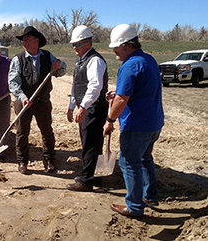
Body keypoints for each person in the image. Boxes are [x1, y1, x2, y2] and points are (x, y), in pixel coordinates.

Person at [104, 24, 164, 217]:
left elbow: (122, 100)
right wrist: (119, 92)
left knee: (129, 163)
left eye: (116, 49)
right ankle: (150, 195)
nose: (114, 53)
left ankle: (134, 206)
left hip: (136, 125)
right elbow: (139, 89)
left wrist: (109, 119)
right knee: (145, 158)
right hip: (154, 123)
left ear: (127, 45)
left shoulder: (129, 65)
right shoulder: (149, 60)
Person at [9, 26, 67, 174]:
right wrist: (22, 97)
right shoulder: (18, 59)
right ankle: (22, 161)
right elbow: (13, 82)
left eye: (28, 39)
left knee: (47, 131)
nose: (25, 43)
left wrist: (59, 64)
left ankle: (49, 160)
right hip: (23, 102)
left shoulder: (48, 56)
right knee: (22, 132)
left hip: (43, 102)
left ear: (37, 41)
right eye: (23, 40)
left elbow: (61, 71)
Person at [66, 25, 109, 192]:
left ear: (87, 44)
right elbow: (76, 85)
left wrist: (83, 107)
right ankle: (94, 176)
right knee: (92, 143)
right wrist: (72, 106)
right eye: (73, 45)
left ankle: (86, 180)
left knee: (90, 144)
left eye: (77, 44)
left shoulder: (95, 61)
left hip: (94, 108)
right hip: (87, 108)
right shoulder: (82, 61)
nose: (74, 48)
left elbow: (95, 87)